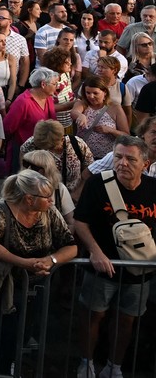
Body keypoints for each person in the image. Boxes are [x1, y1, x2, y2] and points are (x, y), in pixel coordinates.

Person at [0, 169, 78, 375]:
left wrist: (51, 260)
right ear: (29, 199)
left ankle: (21, 365)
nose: (51, 200)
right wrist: (23, 262)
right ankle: (3, 369)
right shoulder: (2, 212)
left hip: (40, 284)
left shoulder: (50, 212)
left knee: (31, 329)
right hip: (7, 284)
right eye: (47, 196)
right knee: (8, 331)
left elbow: (71, 246)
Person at [72, 135, 156, 378]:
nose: (123, 163)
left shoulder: (153, 189)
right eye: (118, 157)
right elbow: (80, 221)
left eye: (131, 159)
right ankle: (86, 363)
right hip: (102, 268)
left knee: (127, 321)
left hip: (140, 271)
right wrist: (95, 252)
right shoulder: (98, 184)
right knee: (93, 315)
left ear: (145, 164)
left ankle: (114, 367)